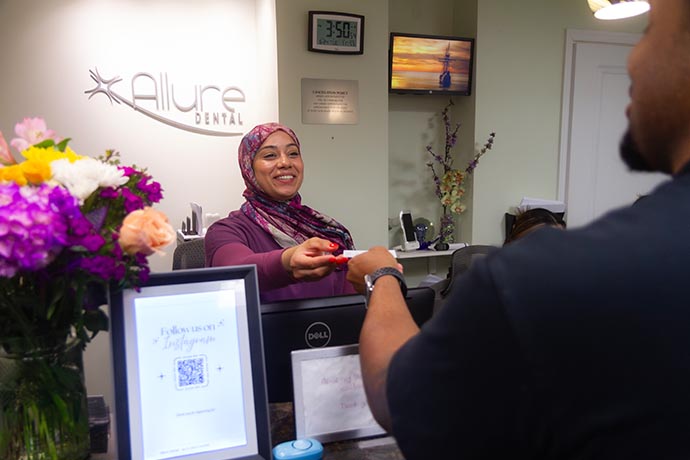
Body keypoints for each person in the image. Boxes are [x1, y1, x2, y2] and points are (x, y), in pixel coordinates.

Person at [347, 1, 690, 458]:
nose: (632, 58)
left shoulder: (538, 280)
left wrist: (382, 277)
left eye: (650, 31)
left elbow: (398, 392)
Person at [205, 122, 356, 302]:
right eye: (270, 155)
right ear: (248, 168)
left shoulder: (328, 231)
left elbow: (350, 303)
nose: (285, 163)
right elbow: (237, 272)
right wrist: (287, 261)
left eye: (293, 153)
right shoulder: (225, 231)